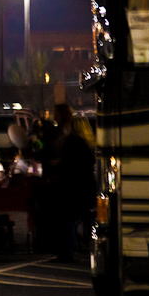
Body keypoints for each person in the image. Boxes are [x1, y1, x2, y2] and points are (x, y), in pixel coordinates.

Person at [40, 103, 96, 262]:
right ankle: (84, 249)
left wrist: (59, 163)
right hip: (85, 187)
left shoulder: (71, 140)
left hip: (72, 187)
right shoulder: (87, 142)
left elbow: (69, 163)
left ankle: (66, 253)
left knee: (66, 220)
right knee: (82, 220)